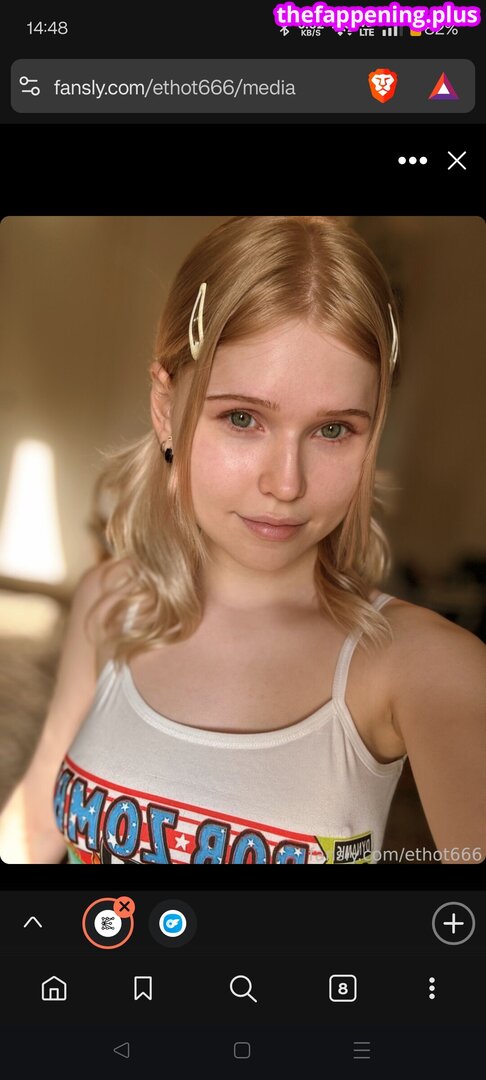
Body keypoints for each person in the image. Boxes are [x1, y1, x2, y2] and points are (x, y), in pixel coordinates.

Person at [1, 215, 485, 865]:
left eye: (334, 430)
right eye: (242, 417)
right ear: (165, 408)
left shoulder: (423, 666)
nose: (286, 483)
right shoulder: (111, 601)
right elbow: (33, 830)